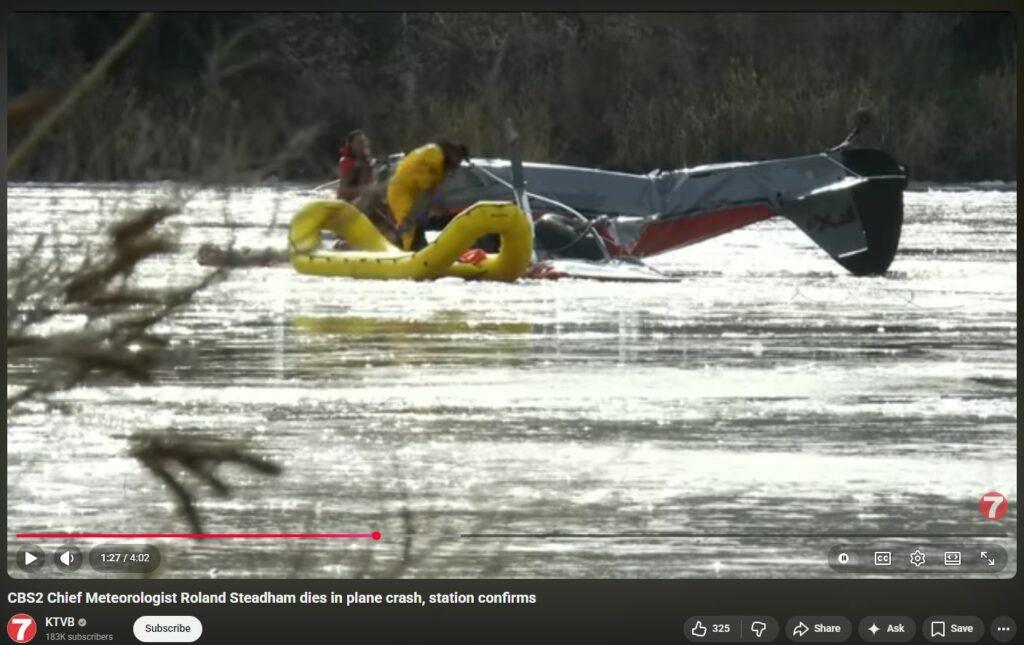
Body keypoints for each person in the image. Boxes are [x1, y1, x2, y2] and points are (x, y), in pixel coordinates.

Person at [386, 139, 469, 251]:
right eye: (459, 159)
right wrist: (435, 202)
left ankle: (417, 251)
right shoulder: (435, 155)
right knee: (409, 226)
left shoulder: (440, 160)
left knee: (416, 225)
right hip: (401, 191)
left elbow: (432, 189)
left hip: (413, 193)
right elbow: (428, 185)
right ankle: (407, 254)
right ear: (453, 152)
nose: (458, 164)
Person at [336, 130, 374, 203]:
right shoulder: (348, 164)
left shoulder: (367, 162)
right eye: (359, 142)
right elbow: (342, 191)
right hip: (349, 205)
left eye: (364, 141)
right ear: (351, 145)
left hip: (365, 200)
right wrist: (368, 190)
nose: (363, 144)